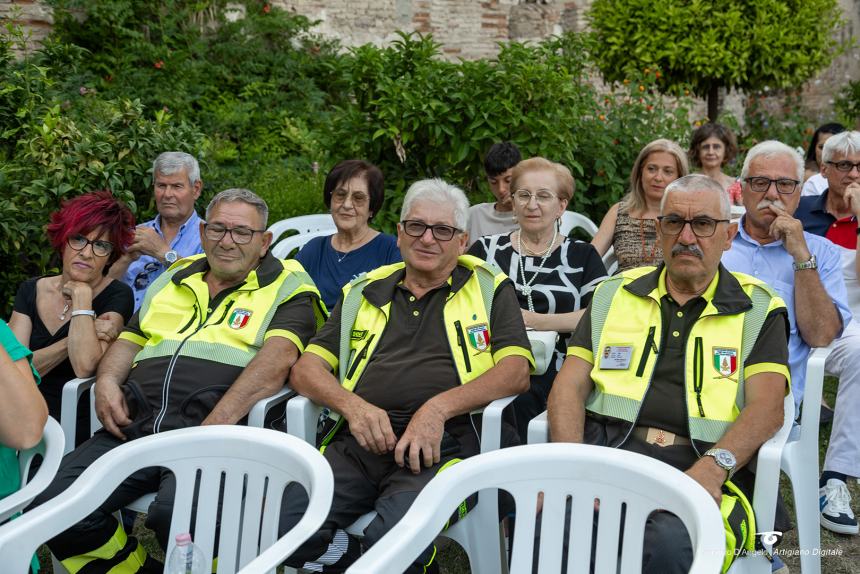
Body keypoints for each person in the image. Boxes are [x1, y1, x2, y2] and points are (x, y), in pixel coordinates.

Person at [30, 188, 326, 572]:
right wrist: (105, 383)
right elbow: (131, 340)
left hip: (214, 435)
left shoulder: (290, 287)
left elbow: (275, 363)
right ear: (202, 233)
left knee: (179, 518)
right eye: (218, 229)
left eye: (241, 232)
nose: (227, 241)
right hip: (135, 424)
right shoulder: (174, 278)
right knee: (53, 503)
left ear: (264, 242)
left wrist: (212, 429)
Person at [281, 179, 533, 573]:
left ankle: (385, 561)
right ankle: (353, 560)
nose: (427, 239)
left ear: (462, 240)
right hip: (362, 440)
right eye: (416, 226)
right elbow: (306, 369)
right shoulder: (362, 291)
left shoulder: (488, 287)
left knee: (394, 541)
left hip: (450, 445)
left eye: (442, 230)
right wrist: (354, 407)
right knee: (284, 524)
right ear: (399, 233)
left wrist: (437, 410)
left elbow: (516, 372)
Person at [549, 174, 790, 573]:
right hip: (610, 453)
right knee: (558, 525)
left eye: (704, 224)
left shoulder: (757, 308)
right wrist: (574, 467)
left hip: (702, 463)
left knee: (667, 542)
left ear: (728, 236)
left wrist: (711, 472)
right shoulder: (615, 293)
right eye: (674, 222)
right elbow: (568, 387)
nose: (687, 237)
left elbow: (767, 410)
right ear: (659, 230)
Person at [468, 157, 606, 435]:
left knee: (524, 401)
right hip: (488, 359)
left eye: (543, 196)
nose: (532, 204)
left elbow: (601, 315)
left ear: (561, 206)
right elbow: (460, 306)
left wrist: (534, 320)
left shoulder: (582, 255)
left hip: (558, 365)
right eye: (524, 195)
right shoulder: (485, 251)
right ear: (513, 202)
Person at [722, 141, 850, 410]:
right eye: (760, 182)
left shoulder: (820, 252)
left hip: (773, 399)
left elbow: (822, 335)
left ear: (799, 193)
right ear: (742, 189)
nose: (772, 194)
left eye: (785, 184)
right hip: (707, 384)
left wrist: (801, 257)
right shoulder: (717, 240)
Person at [9, 191, 135, 447]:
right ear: (62, 241)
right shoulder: (31, 289)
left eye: (101, 245)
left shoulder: (118, 295)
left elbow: (85, 366)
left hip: (76, 424)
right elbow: (13, 371)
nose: (87, 253)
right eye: (78, 239)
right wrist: (72, 340)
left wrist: (81, 298)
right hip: (21, 416)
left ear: (111, 255)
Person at [795, 130, 860, 535]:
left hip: (852, 324)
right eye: (844, 165)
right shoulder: (801, 211)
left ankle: (835, 477)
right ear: (824, 169)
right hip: (803, 316)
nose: (854, 174)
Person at [295, 159, 400, 311]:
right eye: (340, 195)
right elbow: (287, 295)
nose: (347, 205)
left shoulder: (390, 250)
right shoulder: (314, 249)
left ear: (372, 208)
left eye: (358, 198)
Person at [109, 151, 205, 311]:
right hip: (119, 328)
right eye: (161, 185)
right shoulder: (136, 233)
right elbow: (103, 289)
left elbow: (207, 291)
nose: (167, 194)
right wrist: (124, 260)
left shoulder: (210, 237)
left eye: (176, 186)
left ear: (196, 189)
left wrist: (163, 253)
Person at [592, 139, 689, 271]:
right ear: (640, 173)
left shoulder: (688, 217)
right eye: (651, 169)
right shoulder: (619, 212)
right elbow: (589, 258)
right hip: (622, 289)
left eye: (668, 171)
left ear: (680, 177)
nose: (658, 177)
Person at [466, 141, 522, 244]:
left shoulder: (535, 216)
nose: (501, 189)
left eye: (508, 180)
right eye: (493, 182)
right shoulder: (473, 216)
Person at [688, 122, 743, 205]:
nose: (711, 152)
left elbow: (744, 214)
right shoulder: (687, 183)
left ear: (726, 150)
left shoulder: (734, 184)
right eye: (705, 147)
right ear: (697, 150)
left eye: (716, 147)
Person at [802, 122, 846, 197]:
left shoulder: (853, 174)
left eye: (833, 148)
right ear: (814, 148)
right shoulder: (808, 178)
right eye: (821, 147)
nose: (826, 152)